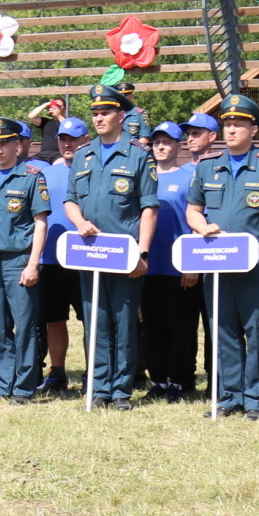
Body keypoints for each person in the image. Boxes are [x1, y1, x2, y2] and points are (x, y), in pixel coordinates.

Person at [186, 94, 259, 420]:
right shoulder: (208, 167)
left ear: (254, 129)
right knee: (222, 331)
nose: (232, 129)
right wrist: (202, 226)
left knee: (258, 332)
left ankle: (258, 401)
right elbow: (193, 210)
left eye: (239, 124)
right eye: (228, 124)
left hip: (257, 263)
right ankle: (228, 397)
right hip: (216, 260)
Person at [62, 86, 158, 408]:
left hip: (124, 254)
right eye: (95, 113)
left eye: (105, 112)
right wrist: (78, 223)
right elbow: (70, 200)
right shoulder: (83, 154)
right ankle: (99, 387)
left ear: (121, 115)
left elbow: (149, 208)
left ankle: (120, 391)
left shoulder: (139, 155)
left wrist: (142, 253)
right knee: (96, 320)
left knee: (124, 320)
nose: (99, 118)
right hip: (89, 251)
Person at [0, 117, 51, 402]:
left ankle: (25, 387)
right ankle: (4, 385)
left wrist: (33, 263)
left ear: (18, 144)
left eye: (4, 143)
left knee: (25, 324)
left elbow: (40, 223)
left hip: (20, 259)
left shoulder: (31, 176)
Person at [141, 122, 201, 402]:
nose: (161, 147)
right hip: (149, 265)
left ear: (180, 145)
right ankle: (159, 379)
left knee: (181, 325)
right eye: (156, 143)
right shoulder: (144, 176)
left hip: (178, 266)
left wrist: (192, 265)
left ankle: (181, 379)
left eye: (167, 142)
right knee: (153, 325)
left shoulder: (191, 176)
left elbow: (199, 221)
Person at [34, 117, 86, 392]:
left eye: (73, 139)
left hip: (84, 256)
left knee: (90, 320)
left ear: (84, 140)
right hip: (50, 258)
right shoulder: (46, 173)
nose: (68, 144)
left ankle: (94, 372)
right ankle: (57, 372)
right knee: (54, 320)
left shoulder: (93, 170)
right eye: (63, 139)